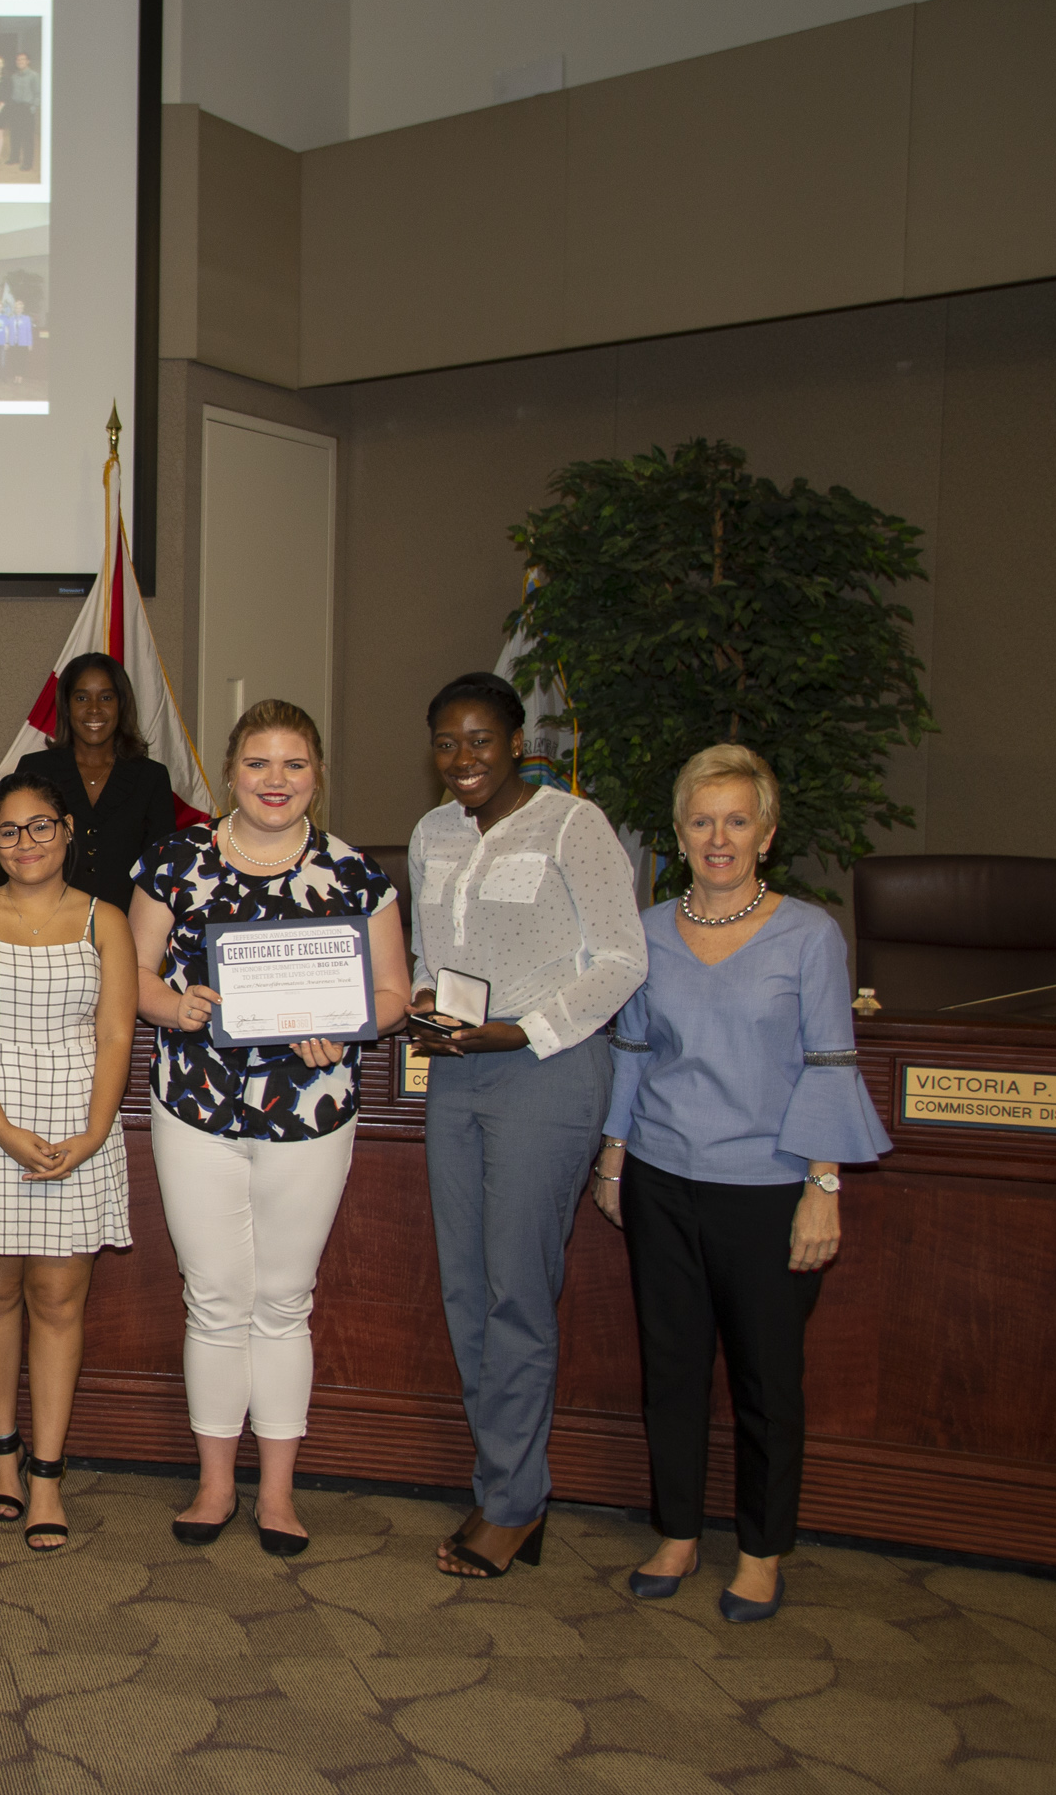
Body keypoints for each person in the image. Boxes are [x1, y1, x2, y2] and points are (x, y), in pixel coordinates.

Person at [592, 744, 887, 1622]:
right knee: (671, 1369)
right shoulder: (646, 932)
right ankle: (678, 1532)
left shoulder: (809, 936)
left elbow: (831, 1063)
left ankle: (761, 1550)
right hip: (662, 1177)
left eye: (736, 820)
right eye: (700, 820)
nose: (718, 837)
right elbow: (635, 1054)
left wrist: (823, 1188)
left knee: (767, 1381)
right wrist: (614, 1158)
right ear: (679, 833)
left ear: (766, 830)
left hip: (768, 1187)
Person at [131, 702, 408, 1558]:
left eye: (293, 764)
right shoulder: (174, 862)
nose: (275, 780)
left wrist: (355, 1021)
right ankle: (216, 1487)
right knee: (213, 1299)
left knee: (285, 1302)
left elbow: (398, 993)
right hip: (198, 1112)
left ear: (316, 774)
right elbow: (131, 975)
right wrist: (174, 1004)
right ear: (231, 771)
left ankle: (279, 1495)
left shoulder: (356, 874)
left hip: (312, 1114)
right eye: (258, 763)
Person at [409, 671, 648, 1579]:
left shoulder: (571, 825)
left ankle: (513, 1502)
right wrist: (429, 997)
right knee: (467, 1288)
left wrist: (525, 1028)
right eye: (446, 742)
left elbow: (623, 959)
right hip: (458, 1073)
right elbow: (436, 950)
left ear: (517, 741)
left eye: (479, 739)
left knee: (518, 1288)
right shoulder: (433, 833)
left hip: (547, 1070)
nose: (463, 759)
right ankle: (505, 1482)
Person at [0, 772, 136, 1551]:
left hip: (80, 1118)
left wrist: (92, 1130)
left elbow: (116, 1035)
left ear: (68, 829)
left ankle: (47, 1471)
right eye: (9, 831)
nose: (27, 843)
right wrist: (8, 1132)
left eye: (41, 826)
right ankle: (3, 1456)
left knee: (58, 1298)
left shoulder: (105, 921)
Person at [12, 653, 179, 908]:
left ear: (121, 704)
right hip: (46, 922)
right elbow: (19, 852)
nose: (93, 708)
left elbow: (160, 870)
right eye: (81, 698)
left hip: (129, 927)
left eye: (106, 697)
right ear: (66, 706)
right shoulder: (35, 770)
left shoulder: (151, 777)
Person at [9, 54, 41, 171]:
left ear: (28, 61)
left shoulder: (34, 76)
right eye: (18, 59)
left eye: (23, 59)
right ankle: (14, 158)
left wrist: (33, 108)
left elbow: (38, 94)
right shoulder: (14, 76)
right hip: (16, 108)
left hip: (27, 109)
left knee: (27, 137)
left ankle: (27, 163)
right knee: (15, 134)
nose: (20, 61)